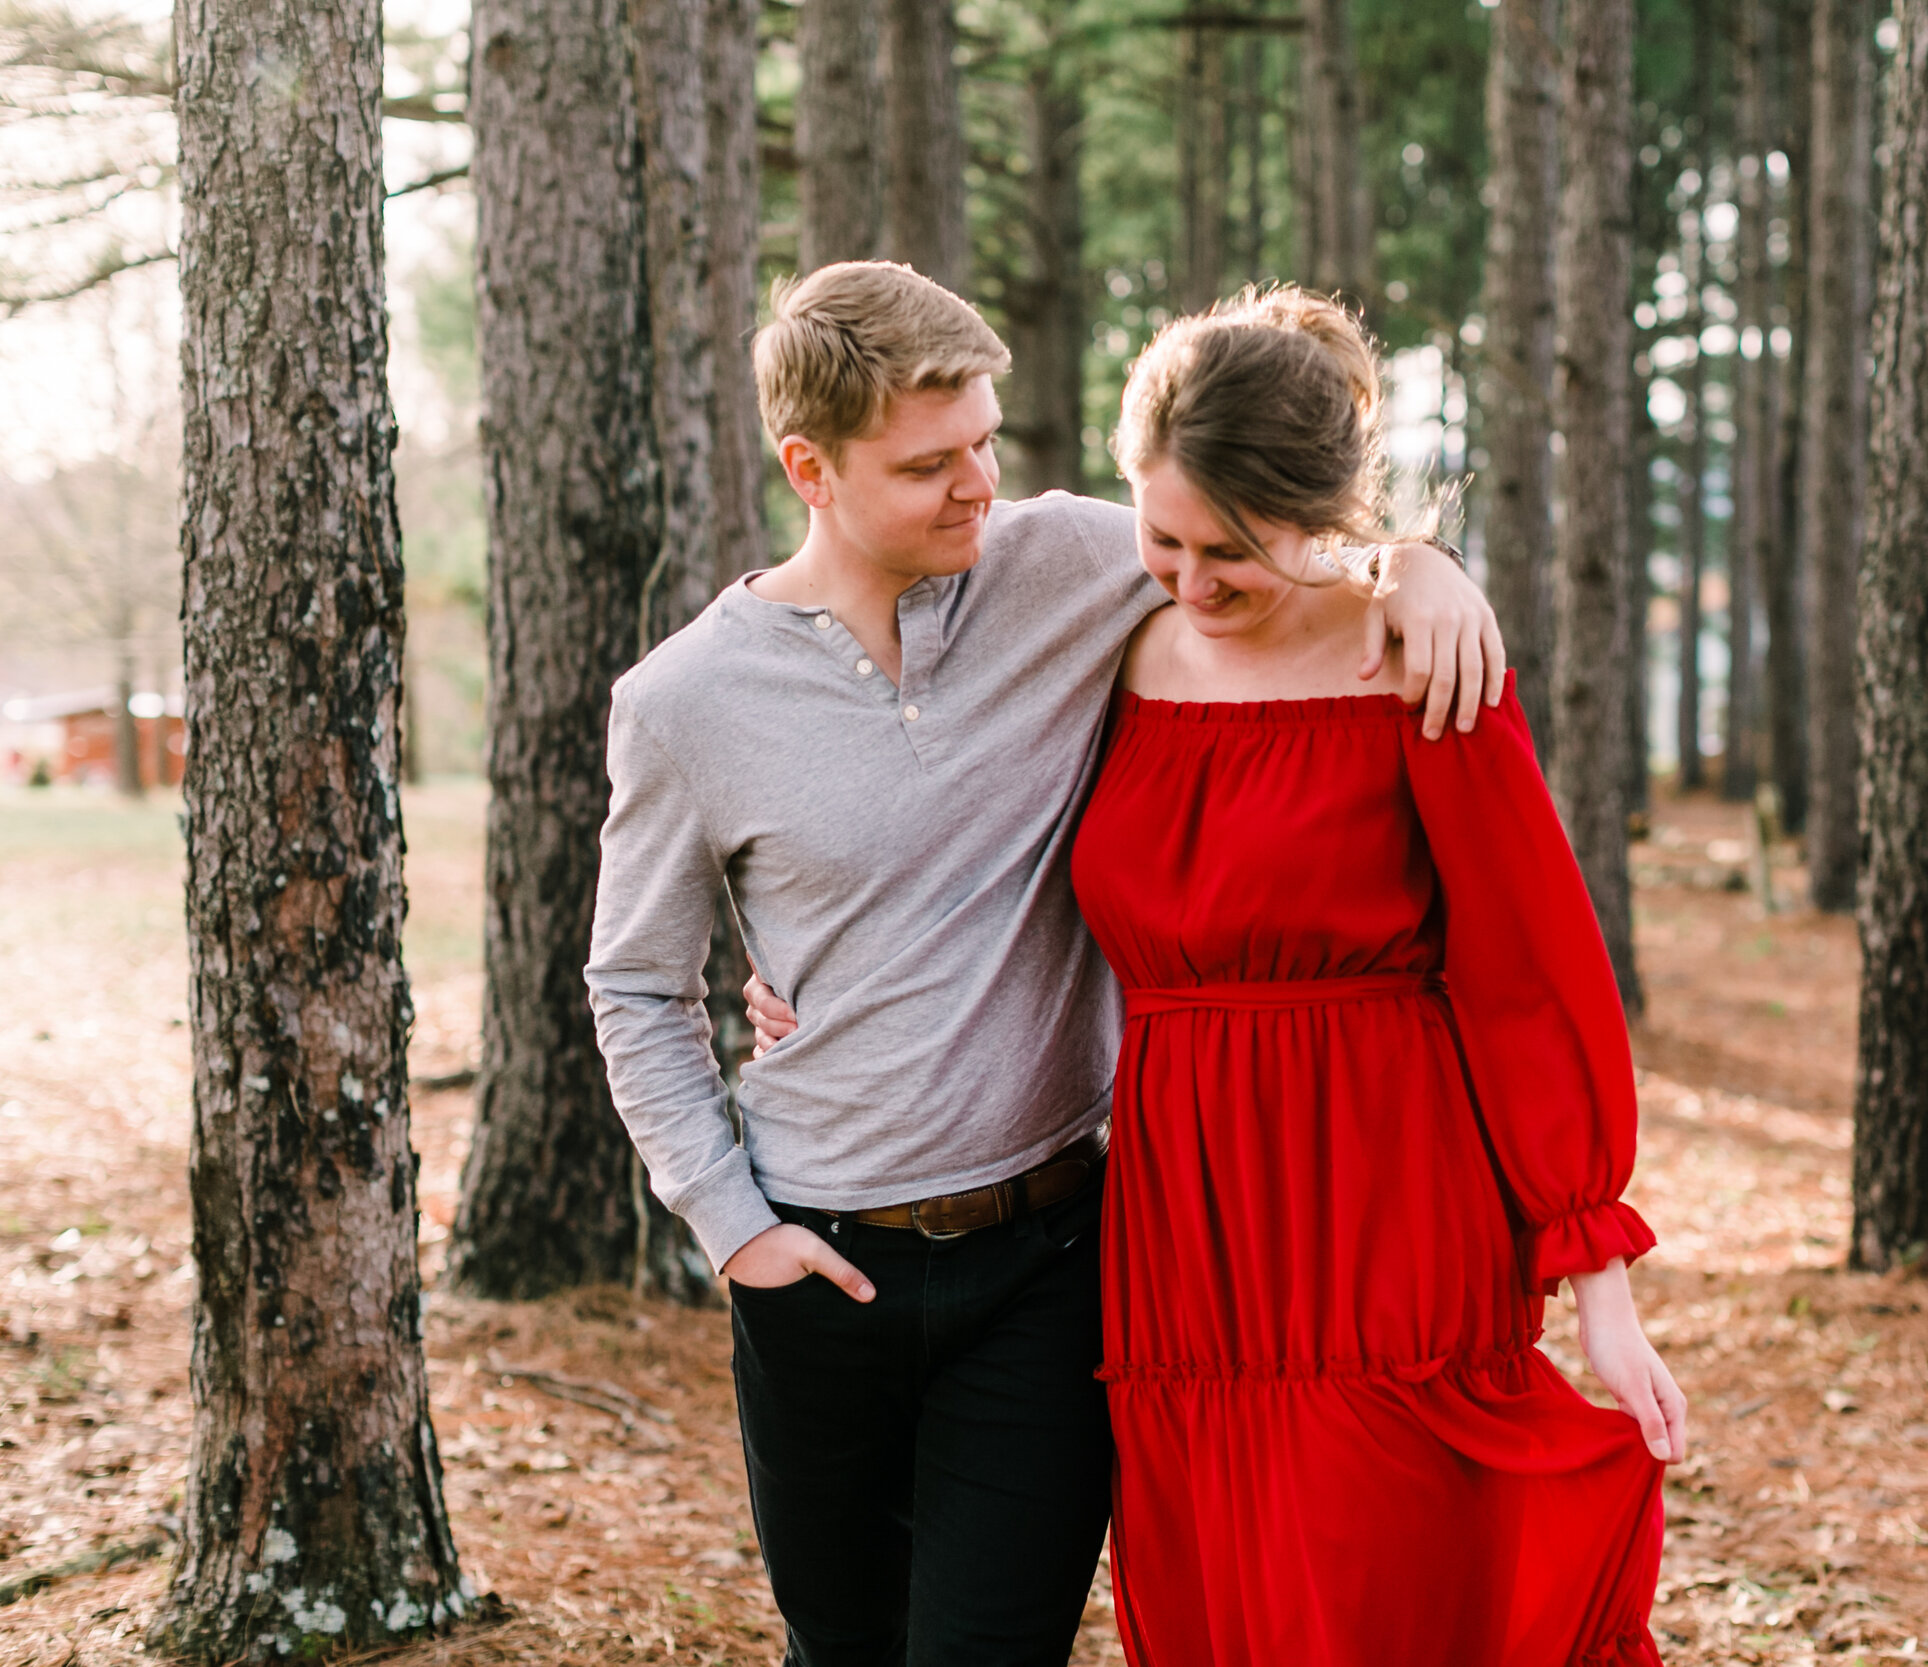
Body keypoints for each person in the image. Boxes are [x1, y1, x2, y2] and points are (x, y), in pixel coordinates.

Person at [583, 261, 1505, 1667]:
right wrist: (729, 1223)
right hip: (817, 1264)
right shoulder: (683, 703)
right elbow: (636, 987)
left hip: (1054, 1258)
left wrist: (1417, 566)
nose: (978, 487)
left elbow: (1263, 541)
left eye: (986, 444)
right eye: (929, 465)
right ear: (809, 469)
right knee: (844, 1649)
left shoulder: (1070, 560)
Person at [1073, 288, 1682, 1665]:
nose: (1190, 580)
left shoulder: (1417, 658)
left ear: (1322, 514)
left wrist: (1601, 1290)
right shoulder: (1104, 654)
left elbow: (1533, 973)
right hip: (1185, 1236)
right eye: (1160, 537)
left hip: (1385, 1216)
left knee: (1386, 1585)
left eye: (1232, 551)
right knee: (1225, 1588)